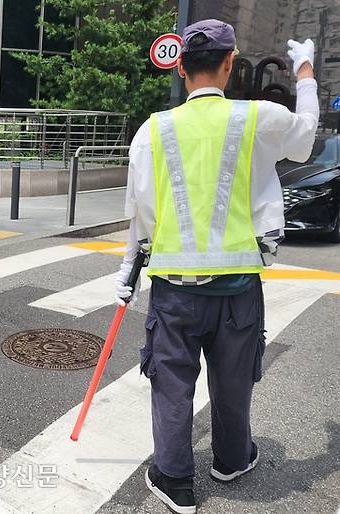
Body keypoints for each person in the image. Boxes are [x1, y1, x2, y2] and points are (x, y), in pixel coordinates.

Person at [114, 20, 318, 514]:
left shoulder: (153, 130)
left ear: (180, 68)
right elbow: (306, 138)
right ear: (230, 65)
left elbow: (141, 214)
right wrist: (306, 72)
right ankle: (230, 458)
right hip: (239, 288)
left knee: (172, 382)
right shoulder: (259, 118)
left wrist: (127, 273)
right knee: (232, 379)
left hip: (175, 290)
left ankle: (175, 480)